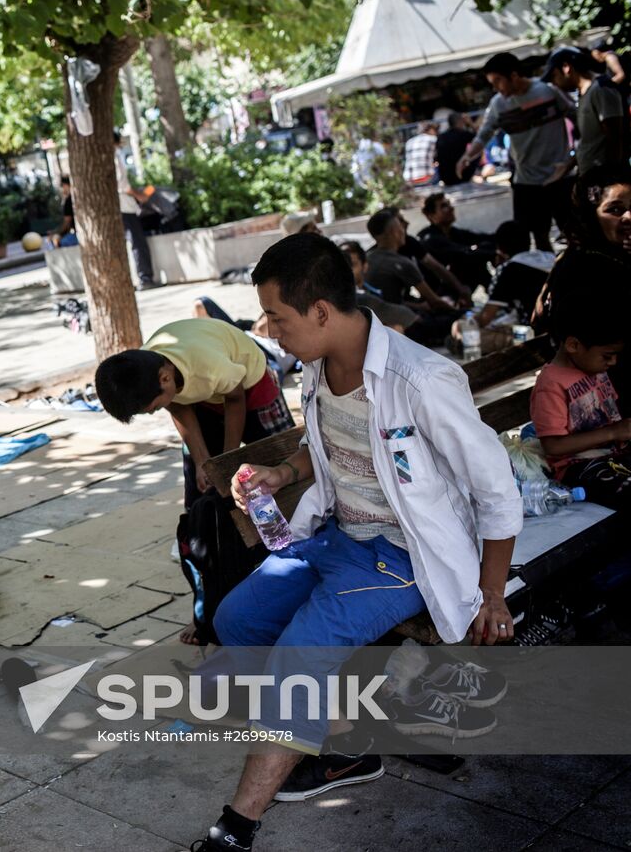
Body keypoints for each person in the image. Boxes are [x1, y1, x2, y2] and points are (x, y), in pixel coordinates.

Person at [190, 233, 521, 852]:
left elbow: (497, 490)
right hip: (339, 534)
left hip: (401, 556)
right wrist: (282, 474)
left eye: (278, 318)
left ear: (320, 311)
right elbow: (325, 446)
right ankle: (339, 745)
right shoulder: (318, 365)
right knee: (236, 620)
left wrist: (493, 593)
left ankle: (234, 829)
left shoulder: (419, 379)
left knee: (298, 659)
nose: (271, 332)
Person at [95, 317, 295, 518]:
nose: (154, 411)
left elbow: (235, 399)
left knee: (280, 457)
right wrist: (203, 462)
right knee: (201, 476)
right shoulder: (148, 370)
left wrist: (227, 460)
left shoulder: (207, 364)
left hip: (250, 384)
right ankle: (205, 531)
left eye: (154, 408)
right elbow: (179, 408)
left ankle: (295, 518)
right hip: (205, 394)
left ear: (165, 378)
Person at [459, 52, 577, 251]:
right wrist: (467, 156)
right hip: (526, 181)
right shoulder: (498, 104)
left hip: (560, 177)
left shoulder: (548, 91)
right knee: (538, 237)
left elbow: (577, 118)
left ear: (514, 76)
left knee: (575, 234)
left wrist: (573, 158)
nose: (495, 87)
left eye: (498, 81)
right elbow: (485, 132)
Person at [535, 171, 631, 412]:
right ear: (590, 217)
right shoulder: (583, 266)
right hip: (607, 403)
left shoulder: (612, 257)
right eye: (615, 210)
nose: (629, 217)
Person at [531, 303, 631, 510]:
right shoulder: (551, 384)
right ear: (573, 345)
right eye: (607, 355)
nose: (613, 362)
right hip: (579, 468)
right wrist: (613, 433)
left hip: (614, 456)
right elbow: (553, 446)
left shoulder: (592, 366)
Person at [363, 208, 461, 346]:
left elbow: (385, 299)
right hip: (404, 326)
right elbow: (435, 302)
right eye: (400, 227)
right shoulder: (401, 263)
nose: (404, 230)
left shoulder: (367, 259)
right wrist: (460, 312)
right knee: (460, 319)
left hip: (377, 323)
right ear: (395, 232)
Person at [544, 46, 627, 183]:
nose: (554, 82)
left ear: (566, 68)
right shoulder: (583, 94)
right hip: (590, 178)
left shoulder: (601, 89)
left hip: (604, 180)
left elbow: (615, 137)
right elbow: (590, 142)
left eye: (554, 76)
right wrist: (567, 167)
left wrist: (611, 180)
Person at [416, 192, 495, 291]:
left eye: (449, 204)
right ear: (431, 215)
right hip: (439, 290)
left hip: (457, 283)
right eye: (444, 206)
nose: (451, 208)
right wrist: (494, 254)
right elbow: (462, 253)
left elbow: (483, 237)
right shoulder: (429, 238)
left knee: (484, 248)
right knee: (473, 261)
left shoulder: (454, 232)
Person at [337, 241, 417, 333]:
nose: (346, 271)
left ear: (365, 266)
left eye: (352, 265)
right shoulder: (355, 297)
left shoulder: (371, 290)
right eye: (342, 266)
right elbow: (405, 316)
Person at [115, 130, 158, 289]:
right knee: (137, 243)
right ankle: (145, 278)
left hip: (119, 207)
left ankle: (137, 279)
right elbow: (123, 185)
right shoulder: (114, 157)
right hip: (124, 207)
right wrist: (139, 196)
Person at [436, 112, 479, 185]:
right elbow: (480, 139)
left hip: (445, 178)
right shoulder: (463, 134)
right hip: (461, 176)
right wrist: (470, 123)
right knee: (478, 151)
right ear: (460, 121)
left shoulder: (441, 137)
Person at [52, 176, 75, 246]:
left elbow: (67, 223)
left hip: (78, 235)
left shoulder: (69, 200)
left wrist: (58, 234)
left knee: (58, 242)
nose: (61, 189)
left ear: (65, 185)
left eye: (61, 186)